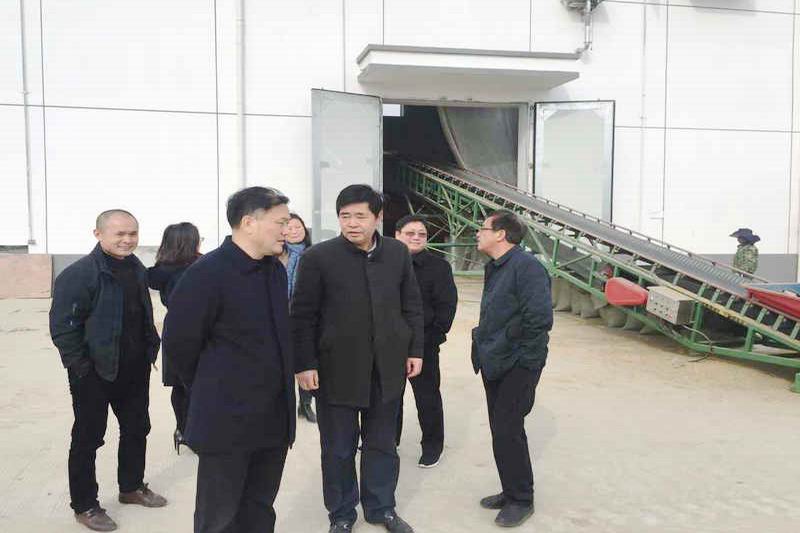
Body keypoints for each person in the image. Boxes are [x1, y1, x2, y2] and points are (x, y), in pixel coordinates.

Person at [292, 185, 424, 533]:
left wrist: (415, 350)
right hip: (336, 370)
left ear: (377, 218)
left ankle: (382, 508)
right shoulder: (318, 258)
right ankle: (341, 513)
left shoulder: (397, 253)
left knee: (383, 445)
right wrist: (304, 363)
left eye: (360, 216)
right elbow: (302, 315)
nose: (352, 223)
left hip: (387, 368)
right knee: (338, 448)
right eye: (345, 216)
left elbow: (411, 304)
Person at [163, 187, 296, 533]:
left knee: (259, 509)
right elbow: (179, 346)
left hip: (273, 418)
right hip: (227, 421)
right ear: (249, 223)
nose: (287, 229)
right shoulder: (206, 274)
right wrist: (214, 387)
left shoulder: (274, 270)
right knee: (219, 517)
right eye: (280, 222)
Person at [49, 209, 167, 532]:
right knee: (88, 439)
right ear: (98, 234)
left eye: (133, 233)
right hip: (94, 372)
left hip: (133, 368)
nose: (127, 240)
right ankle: (85, 504)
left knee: (137, 428)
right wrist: (81, 367)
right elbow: (63, 327)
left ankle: (131, 487)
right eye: (119, 234)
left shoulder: (136, 268)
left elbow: (142, 313)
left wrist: (149, 348)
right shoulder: (79, 274)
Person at [472, 210, 552, 528]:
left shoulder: (527, 267)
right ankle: (509, 490)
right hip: (494, 359)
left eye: (483, 228)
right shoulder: (495, 267)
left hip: (517, 363)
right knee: (500, 430)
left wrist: (525, 362)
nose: (478, 233)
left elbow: (539, 319)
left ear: (501, 234)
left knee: (509, 429)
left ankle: (521, 499)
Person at [394, 215, 458, 468]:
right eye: (410, 233)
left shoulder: (438, 267)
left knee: (427, 397)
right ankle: (388, 440)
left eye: (421, 234)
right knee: (389, 396)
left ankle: (432, 446)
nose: (416, 237)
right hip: (389, 343)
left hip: (424, 344)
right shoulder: (386, 263)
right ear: (397, 235)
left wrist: (431, 339)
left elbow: (447, 306)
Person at [147, 222, 202, 453]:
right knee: (200, 384)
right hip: (201, 329)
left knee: (180, 385)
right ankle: (197, 431)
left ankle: (182, 430)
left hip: (175, 329)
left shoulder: (161, 270)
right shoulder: (202, 266)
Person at [279, 212, 316, 423]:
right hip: (281, 316)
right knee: (283, 365)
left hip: (305, 317)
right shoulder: (276, 254)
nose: (294, 231)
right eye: (289, 227)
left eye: (298, 227)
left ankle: (305, 404)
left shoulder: (314, 254)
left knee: (306, 360)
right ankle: (285, 407)